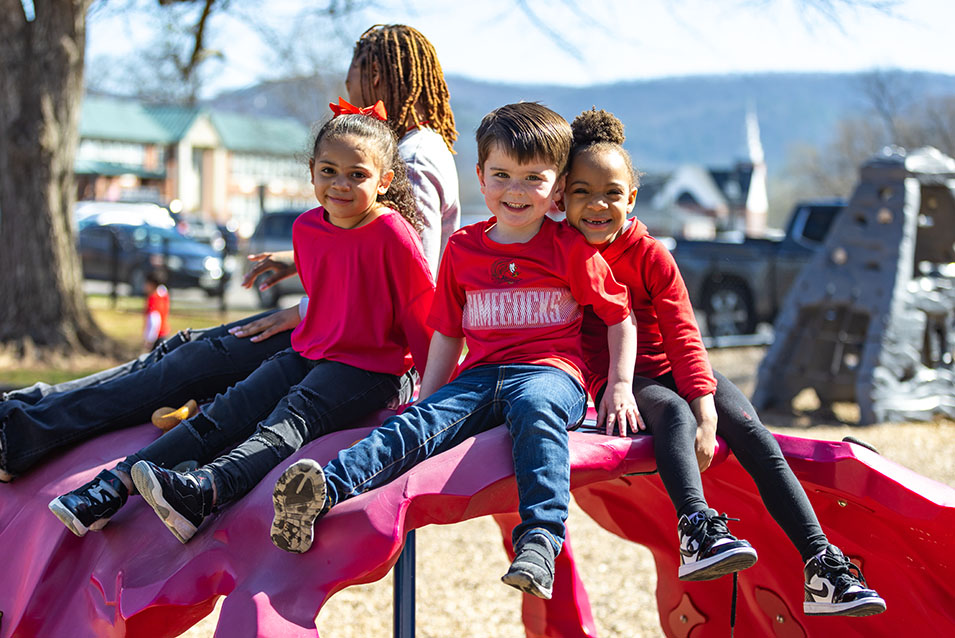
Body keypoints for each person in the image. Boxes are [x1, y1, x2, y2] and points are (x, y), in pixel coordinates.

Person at [0, 24, 459, 482]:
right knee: (180, 349)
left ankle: (25, 434)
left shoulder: (411, 157)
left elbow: (404, 271)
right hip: (332, 330)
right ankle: (28, 409)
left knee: (189, 365)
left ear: (376, 74)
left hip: (347, 349)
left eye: (353, 71)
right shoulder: (402, 150)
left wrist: (306, 308)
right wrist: (297, 258)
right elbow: (362, 244)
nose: (347, 84)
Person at [268, 102, 640, 602]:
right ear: (481, 178)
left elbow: (620, 316)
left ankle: (540, 539)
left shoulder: (569, 248)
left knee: (536, 411)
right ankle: (322, 490)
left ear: (556, 188)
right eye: (502, 175)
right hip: (480, 375)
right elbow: (446, 332)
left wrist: (618, 387)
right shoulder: (464, 249)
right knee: (417, 424)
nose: (515, 190)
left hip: (551, 372)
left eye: (533, 178)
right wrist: (429, 394)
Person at [48, 108, 435, 545]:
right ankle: (114, 486)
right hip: (310, 350)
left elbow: (424, 318)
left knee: (292, 415)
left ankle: (206, 492)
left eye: (357, 174)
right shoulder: (307, 226)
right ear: (312, 173)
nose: (340, 184)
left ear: (383, 181)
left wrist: (433, 398)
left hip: (371, 368)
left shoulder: (394, 235)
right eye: (329, 170)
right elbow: (334, 288)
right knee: (230, 407)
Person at [560, 107, 885, 616]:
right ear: (561, 196)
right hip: (620, 378)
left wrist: (708, 404)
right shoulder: (563, 252)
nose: (597, 204)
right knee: (673, 413)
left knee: (754, 433)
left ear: (633, 198)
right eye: (582, 192)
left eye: (612, 193)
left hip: (672, 364)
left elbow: (683, 332)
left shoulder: (650, 255)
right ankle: (696, 528)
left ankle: (821, 565)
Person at [142, 268, 171, 352]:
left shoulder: (153, 299)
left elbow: (154, 320)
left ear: (152, 285)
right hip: (164, 333)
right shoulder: (163, 294)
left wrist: (149, 339)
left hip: (156, 336)